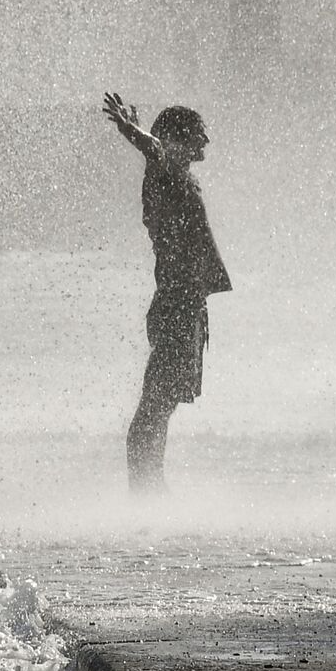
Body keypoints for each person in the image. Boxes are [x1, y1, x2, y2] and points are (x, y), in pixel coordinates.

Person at [103, 92, 233, 492]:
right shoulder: (166, 170)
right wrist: (131, 131)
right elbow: (155, 148)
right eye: (198, 134)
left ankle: (151, 491)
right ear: (176, 140)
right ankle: (147, 497)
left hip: (185, 305)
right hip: (177, 305)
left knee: (162, 407)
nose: (206, 142)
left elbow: (157, 150)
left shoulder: (176, 177)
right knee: (154, 408)